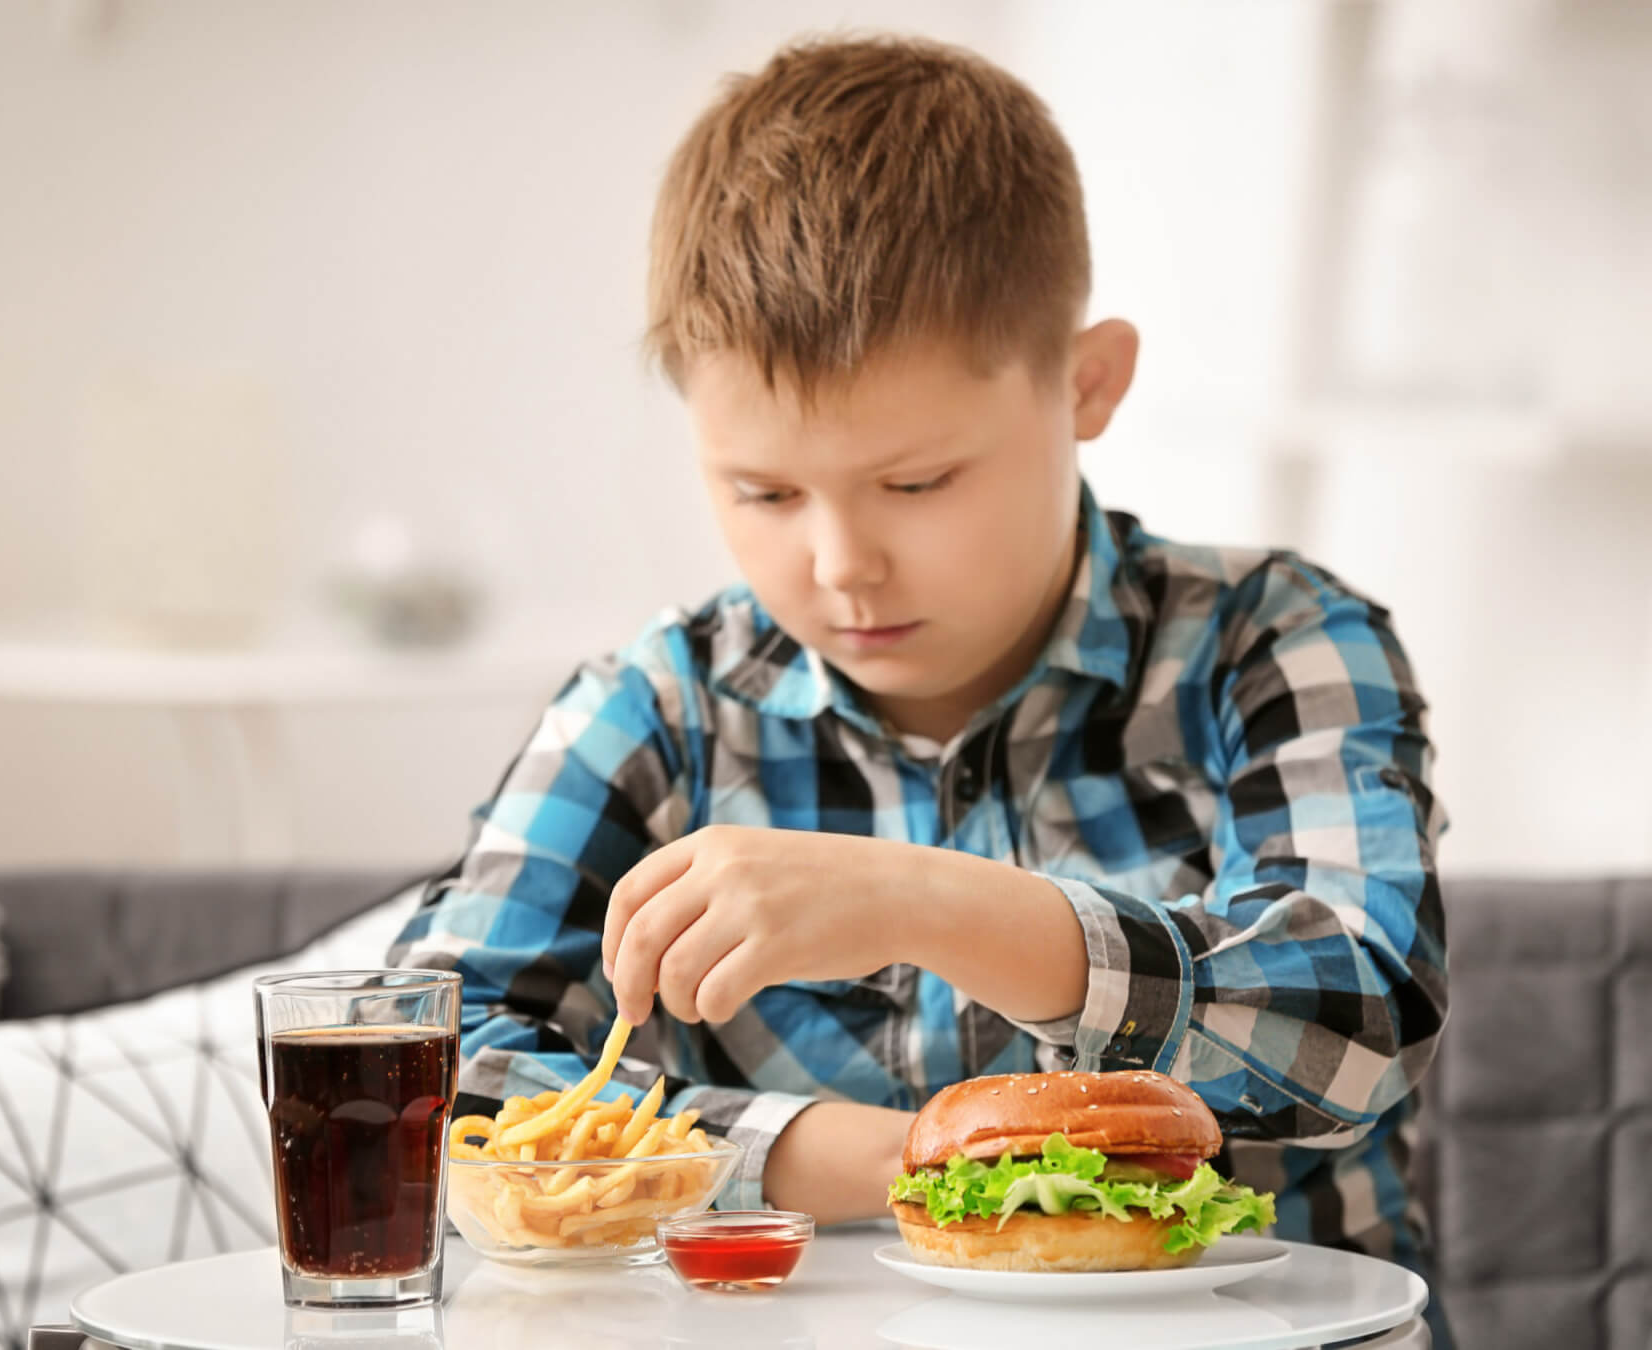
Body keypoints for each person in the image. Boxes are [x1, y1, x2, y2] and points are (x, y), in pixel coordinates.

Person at [388, 29, 1450, 1334]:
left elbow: (1360, 1022)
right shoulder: (660, 707)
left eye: (916, 483)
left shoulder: (1271, 641)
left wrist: (926, 902)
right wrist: (885, 1155)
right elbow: (432, 1073)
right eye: (763, 491)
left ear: (1088, 382)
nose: (842, 565)